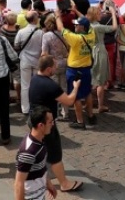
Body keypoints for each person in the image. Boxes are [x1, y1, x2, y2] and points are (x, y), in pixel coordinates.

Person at [28, 55, 83, 193]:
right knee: (55, 154)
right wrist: (75, 87)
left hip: (33, 119)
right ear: (48, 69)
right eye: (54, 67)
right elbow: (69, 101)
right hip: (45, 125)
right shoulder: (51, 85)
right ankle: (64, 183)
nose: (56, 69)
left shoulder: (34, 78)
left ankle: (39, 173)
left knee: (39, 149)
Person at [54, 10, 96, 130]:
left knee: (76, 96)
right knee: (87, 92)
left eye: (77, 25)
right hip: (86, 69)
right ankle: (91, 115)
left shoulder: (75, 39)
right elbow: (87, 21)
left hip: (74, 70)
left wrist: (57, 16)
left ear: (82, 27)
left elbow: (61, 28)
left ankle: (80, 121)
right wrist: (76, 10)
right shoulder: (91, 34)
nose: (75, 26)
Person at [14, 106, 58, 200]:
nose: (53, 124)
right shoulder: (29, 152)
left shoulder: (40, 141)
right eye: (50, 122)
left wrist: (49, 184)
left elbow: (42, 166)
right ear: (41, 125)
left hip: (39, 194)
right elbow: (19, 183)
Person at [14, 10, 44, 115]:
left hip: (25, 60)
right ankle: (37, 106)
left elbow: (16, 45)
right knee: (37, 84)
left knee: (25, 85)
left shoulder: (21, 32)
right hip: (37, 60)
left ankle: (25, 108)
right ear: (35, 19)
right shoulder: (41, 33)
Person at [88, 5, 116, 114]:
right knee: (100, 81)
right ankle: (100, 105)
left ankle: (89, 103)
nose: (101, 15)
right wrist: (113, 14)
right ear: (95, 15)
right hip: (99, 52)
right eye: (99, 13)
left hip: (90, 51)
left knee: (91, 79)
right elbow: (113, 27)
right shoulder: (98, 27)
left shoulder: (87, 25)